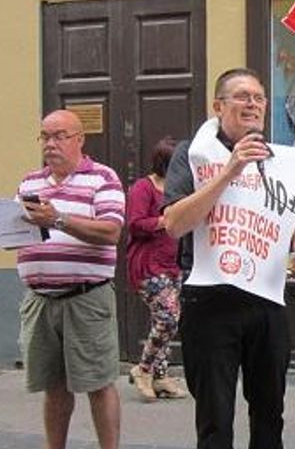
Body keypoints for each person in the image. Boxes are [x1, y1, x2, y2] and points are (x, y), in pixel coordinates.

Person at [163, 67, 295, 449]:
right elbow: (174, 224)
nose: (253, 104)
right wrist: (230, 170)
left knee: (270, 414)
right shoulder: (193, 154)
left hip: (266, 299)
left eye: (259, 98)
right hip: (211, 300)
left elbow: (289, 221)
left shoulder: (278, 159)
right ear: (218, 106)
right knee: (215, 420)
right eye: (242, 96)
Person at [16, 110, 125, 449]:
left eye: (59, 136)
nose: (50, 144)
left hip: (86, 297)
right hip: (39, 299)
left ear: (80, 139)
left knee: (98, 383)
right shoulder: (29, 183)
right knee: (53, 385)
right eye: (45, 137)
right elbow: (19, 230)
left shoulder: (103, 178)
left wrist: (58, 219)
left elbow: (110, 232)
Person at [125, 136, 188, 401]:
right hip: (149, 265)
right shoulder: (144, 187)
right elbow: (135, 223)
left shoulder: (178, 190)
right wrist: (166, 221)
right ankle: (143, 369)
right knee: (168, 317)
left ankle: (160, 377)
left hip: (173, 264)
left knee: (162, 320)